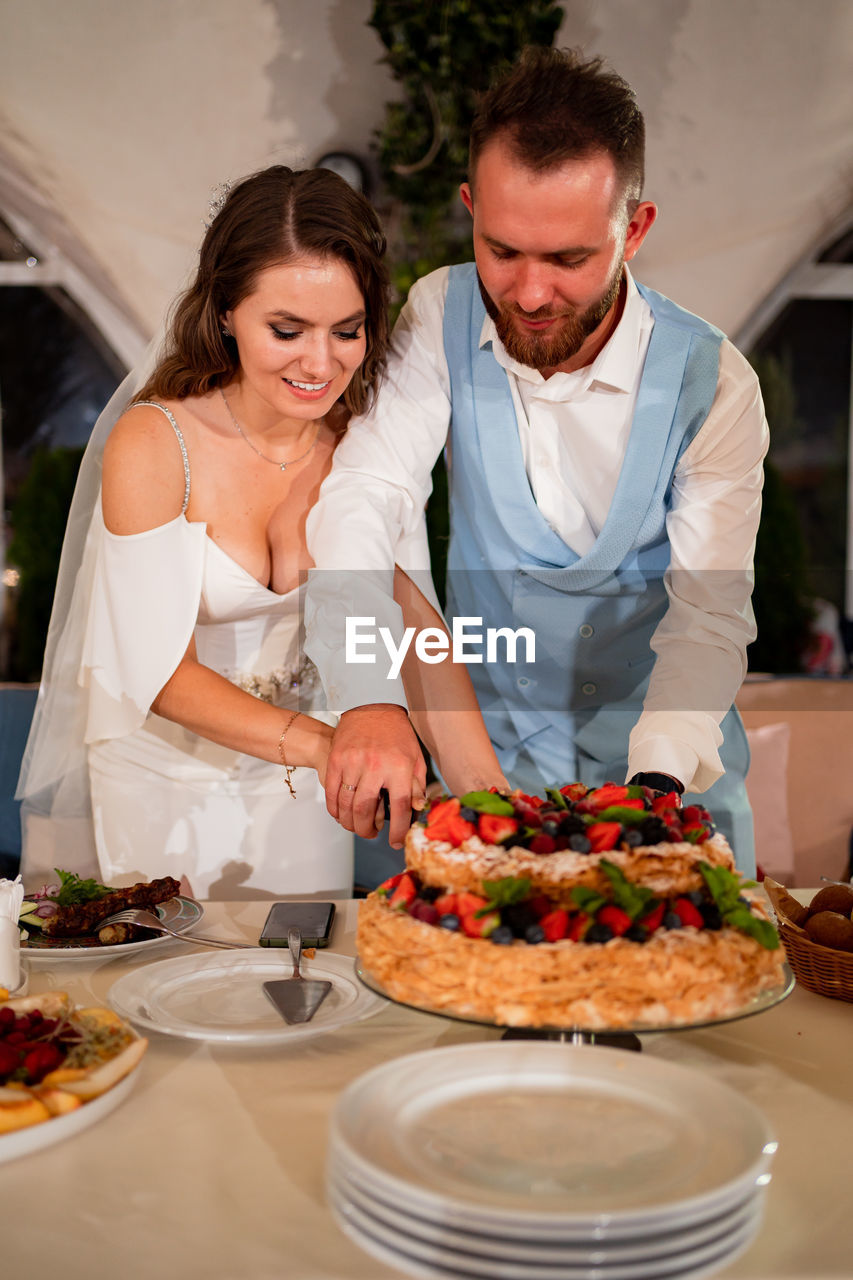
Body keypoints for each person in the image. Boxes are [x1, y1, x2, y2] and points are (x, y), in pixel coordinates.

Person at [305, 47, 768, 874]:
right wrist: (368, 696)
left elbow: (707, 615)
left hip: (667, 772)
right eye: (502, 249)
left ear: (635, 229)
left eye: (567, 260)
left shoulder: (715, 382)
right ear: (469, 206)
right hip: (488, 773)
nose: (526, 293)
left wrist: (655, 784)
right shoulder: (439, 312)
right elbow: (363, 498)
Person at [17, 165, 504, 897]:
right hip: (164, 783)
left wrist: (487, 798)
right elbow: (157, 671)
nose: (320, 363)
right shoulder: (155, 443)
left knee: (302, 988)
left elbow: (409, 628)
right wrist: (332, 744)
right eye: (286, 329)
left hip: (305, 792)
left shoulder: (365, 446)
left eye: (347, 331)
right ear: (224, 312)